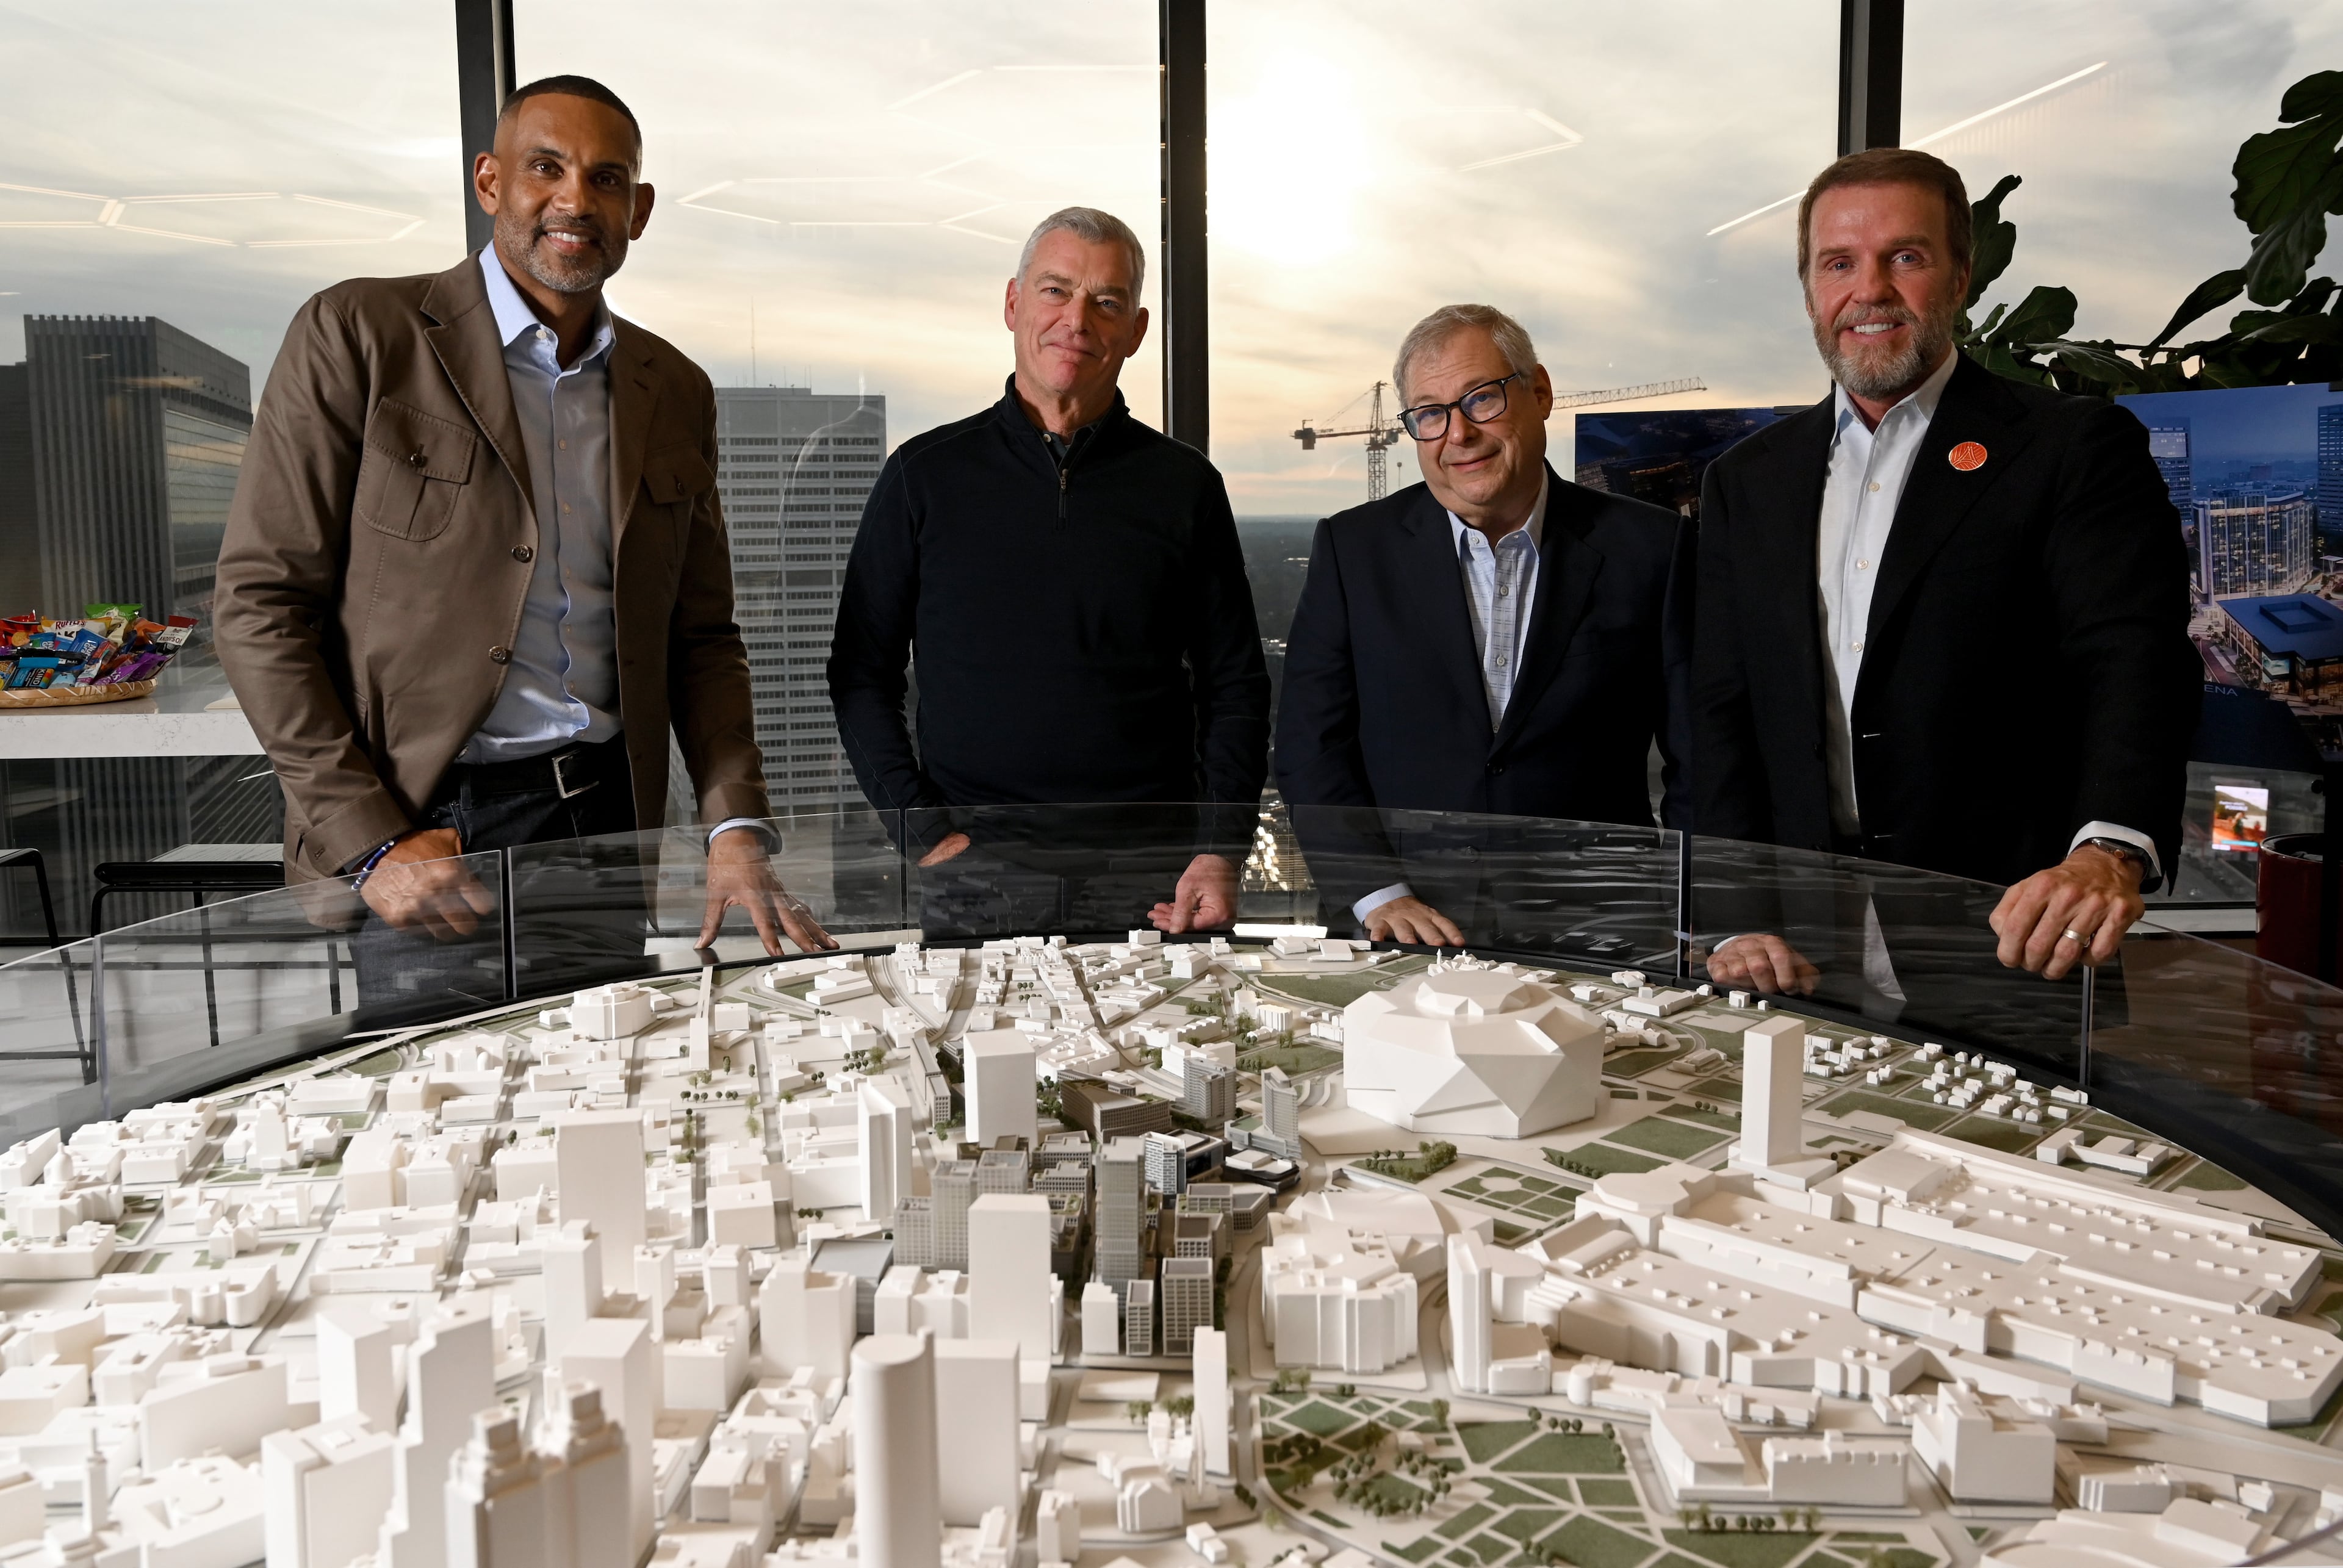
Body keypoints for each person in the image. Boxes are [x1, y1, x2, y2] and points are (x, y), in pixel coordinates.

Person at [216, 74, 832, 1016]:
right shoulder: (359, 334)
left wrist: (733, 824)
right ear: (490, 181)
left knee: (610, 1089)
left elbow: (702, 638)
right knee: (446, 1102)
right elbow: (259, 606)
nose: (575, 199)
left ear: (639, 210)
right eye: (546, 167)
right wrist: (371, 841)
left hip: (606, 824)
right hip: (431, 830)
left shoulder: (675, 388)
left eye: (607, 178)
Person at [1692, 146, 2197, 1004]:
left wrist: (2107, 852)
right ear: (1810, 291)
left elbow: (2132, 660)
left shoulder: (2072, 447)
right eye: (1838, 263)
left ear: (1960, 277)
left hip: (2015, 939)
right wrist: (1736, 917)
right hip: (1796, 954)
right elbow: (1722, 712)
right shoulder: (1746, 482)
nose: (1870, 290)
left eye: (1906, 257)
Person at [827, 206, 1270, 937]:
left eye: (1107, 301)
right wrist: (921, 829)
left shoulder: (1186, 486)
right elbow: (859, 672)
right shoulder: (923, 476)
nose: (1077, 320)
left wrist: (1221, 848)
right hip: (974, 869)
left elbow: (1236, 685)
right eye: (1056, 290)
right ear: (1013, 304)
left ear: (1137, 329)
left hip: (1157, 876)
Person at [1276, 304, 1688, 946]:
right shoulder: (1352, 549)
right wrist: (1376, 892)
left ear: (1540, 392)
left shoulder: (1653, 548)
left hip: (1600, 924)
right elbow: (1311, 745)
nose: (1459, 434)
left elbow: (1702, 753)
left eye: (1482, 399)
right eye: (1430, 414)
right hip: (1400, 926)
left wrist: (1708, 920)